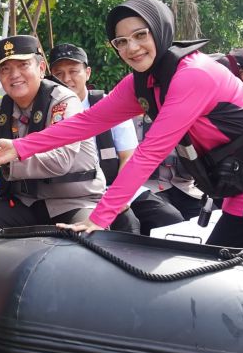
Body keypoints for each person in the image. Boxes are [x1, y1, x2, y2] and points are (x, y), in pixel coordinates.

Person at [0, 0, 243, 249]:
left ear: (160, 30)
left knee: (231, 254)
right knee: (231, 255)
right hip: (241, 168)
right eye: (121, 41)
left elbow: (149, 153)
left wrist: (100, 218)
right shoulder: (142, 82)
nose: (132, 47)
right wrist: (17, 147)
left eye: (140, 35)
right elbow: (85, 123)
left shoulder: (191, 75)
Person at [0, 35, 135, 258]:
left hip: (74, 201)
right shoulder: (0, 110)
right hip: (25, 203)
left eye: (23, 65)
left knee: (90, 248)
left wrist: (3, 157)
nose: (14, 75)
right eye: (5, 69)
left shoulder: (63, 102)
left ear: (40, 67)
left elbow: (61, 160)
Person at [49, 42, 173, 234]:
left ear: (87, 72)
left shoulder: (110, 105)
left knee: (169, 218)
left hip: (116, 186)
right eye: (59, 74)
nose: (67, 79)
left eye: (73, 71)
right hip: (78, 193)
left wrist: (118, 196)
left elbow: (128, 156)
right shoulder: (48, 112)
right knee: (127, 224)